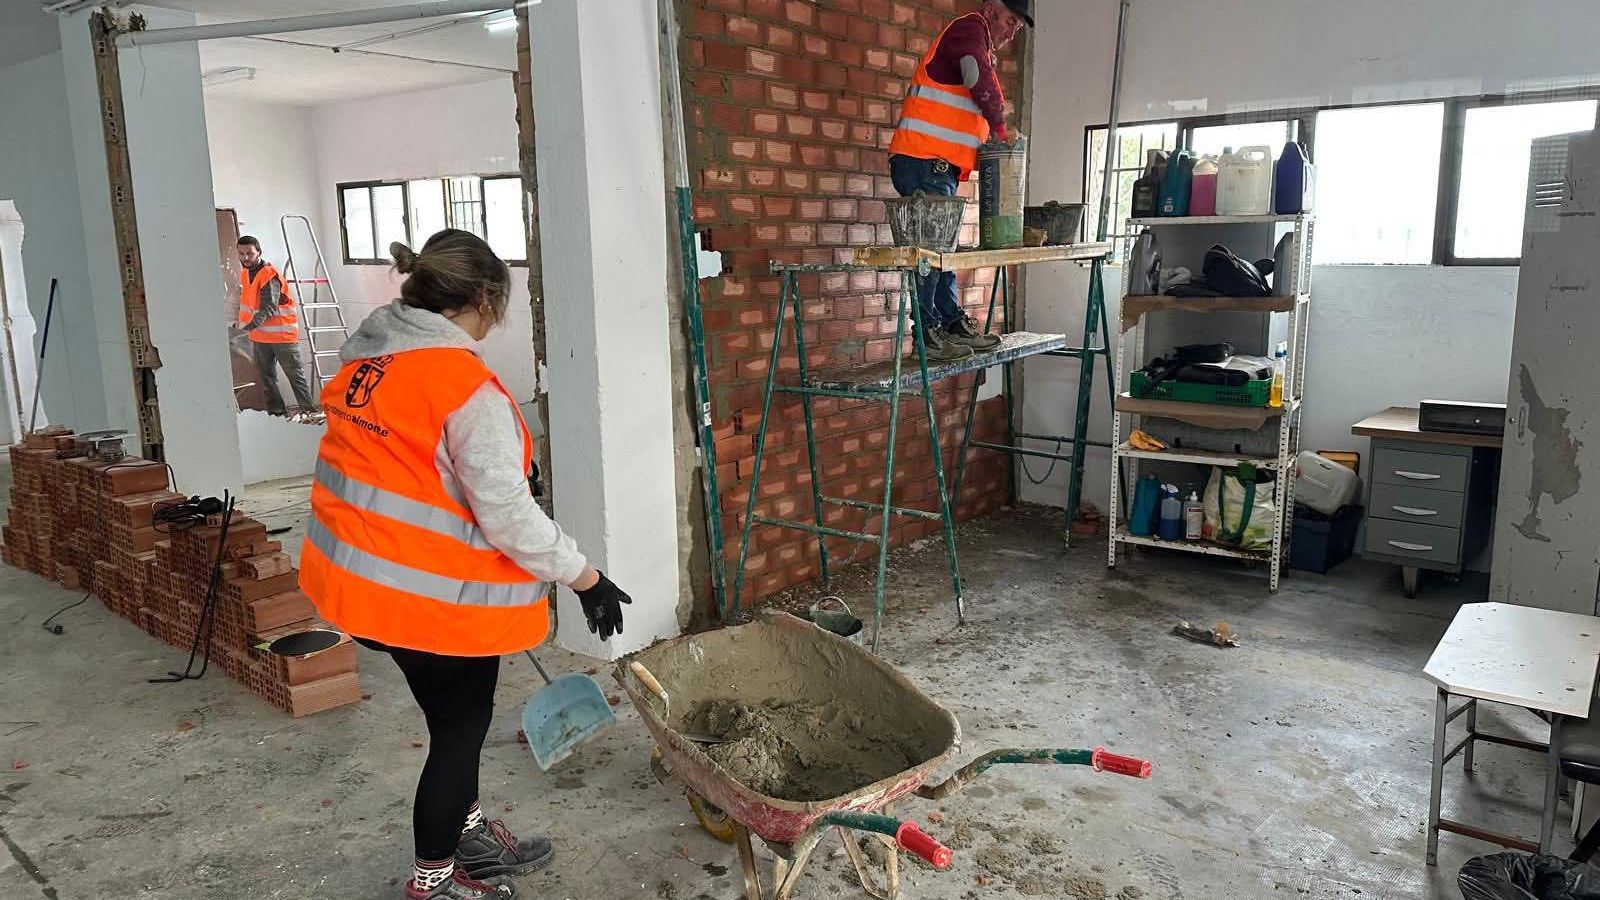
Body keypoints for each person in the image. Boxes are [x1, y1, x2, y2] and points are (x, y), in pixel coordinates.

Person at [298, 228, 635, 900]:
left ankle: (468, 830)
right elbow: (509, 517)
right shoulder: (465, 390)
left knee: (453, 719)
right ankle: (433, 880)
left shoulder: (370, 357)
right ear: (485, 298)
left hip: (357, 586)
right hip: (425, 605)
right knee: (459, 732)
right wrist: (585, 577)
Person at [886, 0, 1033, 361]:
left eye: (1017, 28)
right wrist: (998, 125)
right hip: (923, 160)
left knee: (941, 251)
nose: (1011, 32)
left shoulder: (975, 39)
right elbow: (975, 75)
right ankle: (929, 333)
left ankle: (950, 323)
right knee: (931, 251)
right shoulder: (969, 30)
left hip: (937, 164)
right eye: (1010, 20)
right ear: (989, 9)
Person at [233, 235, 319, 416]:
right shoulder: (244, 273)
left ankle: (311, 415)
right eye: (241, 254)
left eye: (250, 253)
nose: (245, 257)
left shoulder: (268, 274)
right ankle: (278, 415)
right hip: (260, 337)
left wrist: (244, 328)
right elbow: (249, 304)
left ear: (259, 252)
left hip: (282, 337)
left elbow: (269, 308)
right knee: (267, 380)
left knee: (295, 377)